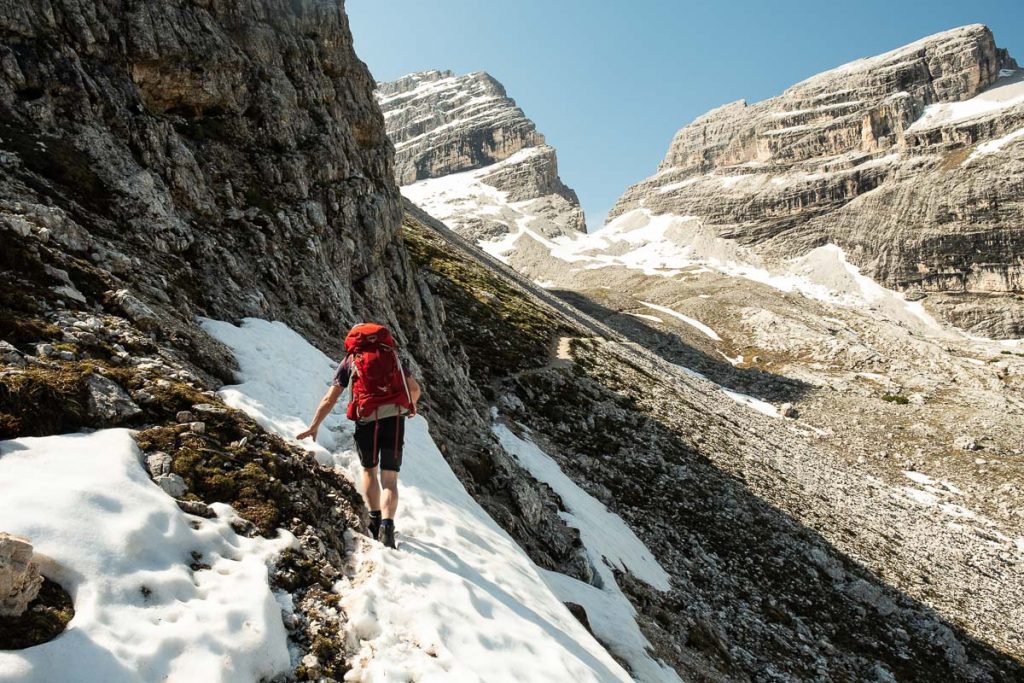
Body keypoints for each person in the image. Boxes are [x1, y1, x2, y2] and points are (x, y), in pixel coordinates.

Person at [297, 323, 421, 549]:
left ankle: (374, 521)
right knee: (390, 479)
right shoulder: (393, 357)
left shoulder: (351, 360)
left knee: (369, 471)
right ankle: (388, 527)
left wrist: (314, 426)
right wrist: (410, 407)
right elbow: (414, 389)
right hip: (394, 419)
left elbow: (330, 398)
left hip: (366, 421)